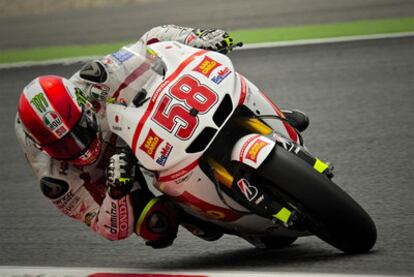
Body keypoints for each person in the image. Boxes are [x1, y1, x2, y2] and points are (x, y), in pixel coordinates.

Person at [15, 25, 309, 248]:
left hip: (128, 124)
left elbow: (153, 40)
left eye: (78, 131)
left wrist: (197, 38)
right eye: (65, 145)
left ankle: (259, 120)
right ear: (45, 147)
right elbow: (109, 229)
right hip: (107, 172)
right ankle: (190, 212)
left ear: (83, 104)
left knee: (204, 83)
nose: (78, 146)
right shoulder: (55, 178)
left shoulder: (96, 78)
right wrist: (117, 192)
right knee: (156, 227)